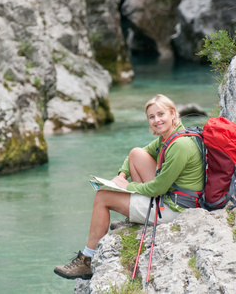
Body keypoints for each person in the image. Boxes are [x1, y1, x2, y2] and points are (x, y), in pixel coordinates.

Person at [53, 94, 204, 280]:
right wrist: (122, 174)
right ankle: (135, 218)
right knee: (136, 153)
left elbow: (159, 188)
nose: (156, 120)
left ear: (173, 113)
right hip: (174, 198)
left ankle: (87, 260)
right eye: (151, 117)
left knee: (102, 197)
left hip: (176, 209)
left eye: (161, 114)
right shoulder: (171, 137)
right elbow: (138, 155)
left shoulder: (180, 145)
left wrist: (128, 186)